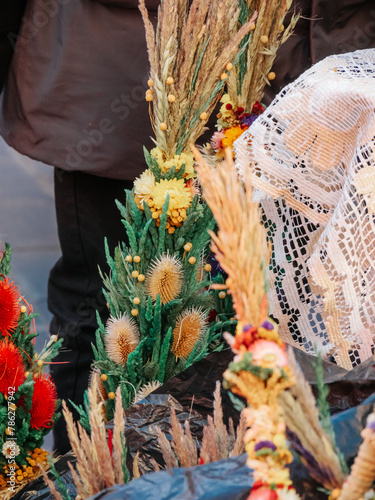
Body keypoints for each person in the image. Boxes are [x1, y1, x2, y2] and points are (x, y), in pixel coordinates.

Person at [1, 0, 374, 454]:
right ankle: (92, 473)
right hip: (129, 77)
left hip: (308, 93)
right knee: (104, 305)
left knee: (271, 313)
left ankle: (226, 468)